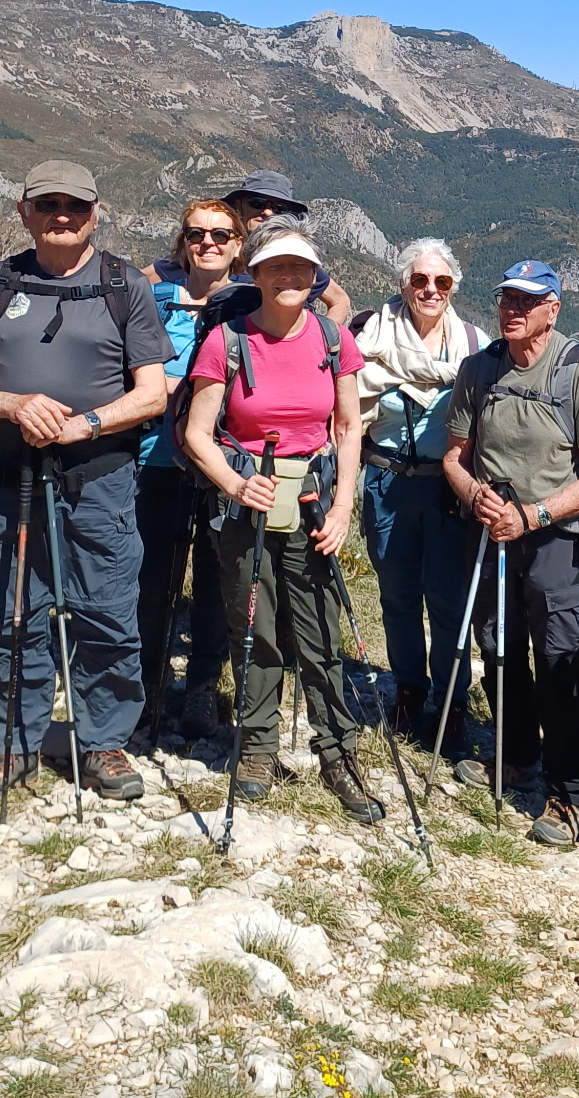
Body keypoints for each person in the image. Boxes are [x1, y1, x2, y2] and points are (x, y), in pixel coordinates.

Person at [0, 161, 172, 804]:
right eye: (48, 205)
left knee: (107, 611)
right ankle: (13, 743)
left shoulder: (126, 285)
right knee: (12, 610)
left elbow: (151, 394)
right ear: (25, 212)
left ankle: (103, 743)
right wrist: (12, 405)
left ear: (96, 212)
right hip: (6, 477)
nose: (62, 215)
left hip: (99, 478)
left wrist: (87, 424)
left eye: (75, 205)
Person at [179, 216, 383, 823]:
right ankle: (259, 747)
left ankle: (337, 751)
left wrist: (345, 504)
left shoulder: (331, 340)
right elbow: (197, 432)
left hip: (314, 501)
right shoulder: (228, 341)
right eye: (277, 267)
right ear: (257, 274)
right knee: (257, 628)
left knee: (319, 632)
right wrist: (237, 483)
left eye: (301, 268)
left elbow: (348, 427)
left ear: (316, 276)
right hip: (249, 506)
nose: (290, 277)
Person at [442, 260, 579, 848]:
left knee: (558, 657)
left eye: (527, 300)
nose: (512, 309)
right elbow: (455, 455)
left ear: (553, 309)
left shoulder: (578, 372)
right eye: (505, 298)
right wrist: (478, 499)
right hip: (492, 531)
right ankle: (515, 757)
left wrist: (534, 515)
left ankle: (569, 794)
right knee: (498, 648)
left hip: (554, 538)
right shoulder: (480, 369)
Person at [353, 238, 484, 750]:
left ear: (453, 288)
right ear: (403, 283)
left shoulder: (474, 344)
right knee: (398, 594)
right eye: (420, 280)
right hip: (387, 481)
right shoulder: (371, 336)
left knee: (450, 601)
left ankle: (452, 699)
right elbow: (349, 407)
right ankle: (409, 688)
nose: (431, 290)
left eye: (442, 282)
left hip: (448, 487)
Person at [135, 197, 245, 743]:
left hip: (225, 461)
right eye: (197, 234)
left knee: (214, 579)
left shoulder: (251, 306)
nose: (208, 244)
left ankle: (202, 688)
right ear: (182, 241)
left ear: (238, 245)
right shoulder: (148, 300)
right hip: (157, 457)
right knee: (152, 579)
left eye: (221, 236)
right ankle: (145, 688)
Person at [220, 169, 352, 323]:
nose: (268, 212)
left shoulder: (294, 260)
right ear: (238, 205)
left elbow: (340, 300)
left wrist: (323, 341)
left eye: (279, 208)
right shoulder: (216, 252)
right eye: (257, 203)